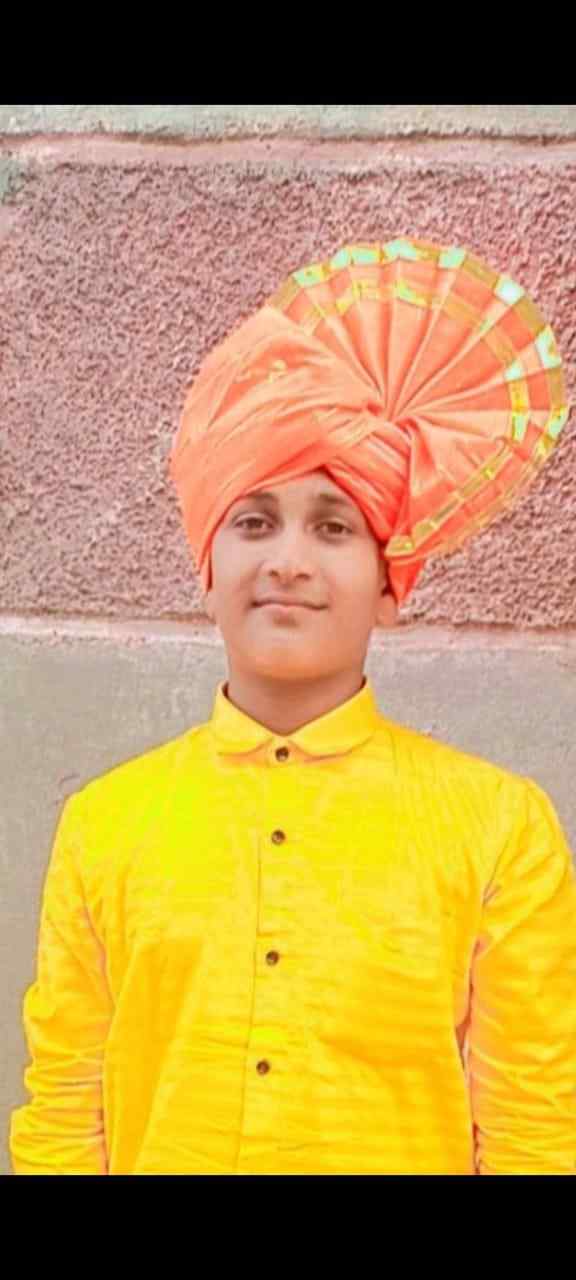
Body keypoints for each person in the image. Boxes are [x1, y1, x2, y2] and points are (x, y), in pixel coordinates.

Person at [10, 237, 576, 1175]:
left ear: (389, 584)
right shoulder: (104, 826)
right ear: (208, 569)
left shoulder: (499, 829)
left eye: (333, 526)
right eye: (254, 521)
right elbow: (66, 1117)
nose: (288, 562)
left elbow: (535, 1133)